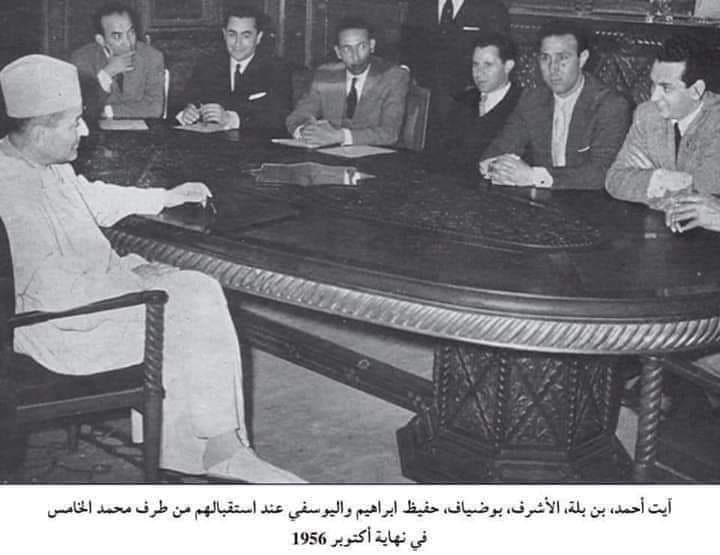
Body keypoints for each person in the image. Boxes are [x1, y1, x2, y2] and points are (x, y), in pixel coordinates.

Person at [0, 54, 304, 483]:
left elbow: (92, 198)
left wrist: (166, 196)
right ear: (39, 130)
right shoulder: (13, 195)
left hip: (86, 305)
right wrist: (134, 281)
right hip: (61, 331)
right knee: (197, 300)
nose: (84, 131)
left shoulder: (33, 161)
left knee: (193, 289)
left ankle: (202, 449)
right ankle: (222, 450)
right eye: (74, 123)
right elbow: (57, 295)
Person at [479, 21, 631, 190]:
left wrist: (533, 176)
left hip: (591, 200)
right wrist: (496, 167)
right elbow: (497, 150)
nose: (553, 68)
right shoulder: (532, 100)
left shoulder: (610, 105)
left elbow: (603, 172)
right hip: (543, 199)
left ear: (582, 59)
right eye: (545, 58)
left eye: (563, 58)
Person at [606, 35, 720, 211]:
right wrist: (660, 178)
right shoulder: (647, 114)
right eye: (653, 84)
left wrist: (649, 183)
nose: (654, 97)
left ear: (696, 90)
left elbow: (709, 192)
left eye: (666, 88)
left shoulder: (716, 121)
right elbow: (616, 180)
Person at [286, 17, 410, 148]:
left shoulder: (393, 76)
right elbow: (297, 117)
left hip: (378, 155)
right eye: (347, 49)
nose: (355, 56)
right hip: (331, 155)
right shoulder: (325, 75)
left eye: (362, 46)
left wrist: (340, 136)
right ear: (338, 52)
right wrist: (306, 131)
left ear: (372, 46)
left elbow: (390, 133)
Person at [400, 0, 510, 142]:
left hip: (469, 98)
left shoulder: (490, 7)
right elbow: (406, 50)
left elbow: (500, 56)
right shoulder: (419, 5)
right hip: (422, 100)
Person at [177, 4, 291, 132]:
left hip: (254, 142)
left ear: (259, 37)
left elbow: (279, 117)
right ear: (224, 34)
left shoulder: (276, 69)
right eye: (232, 34)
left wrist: (230, 119)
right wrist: (186, 113)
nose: (237, 43)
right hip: (210, 141)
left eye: (246, 36)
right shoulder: (208, 65)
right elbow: (183, 101)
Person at [432, 33, 522, 175]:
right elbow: (442, 151)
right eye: (475, 65)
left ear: (508, 66)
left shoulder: (522, 104)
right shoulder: (463, 100)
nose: (479, 73)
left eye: (488, 65)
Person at [71, 2, 164, 119]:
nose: (128, 43)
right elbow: (81, 109)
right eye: (117, 36)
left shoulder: (152, 57)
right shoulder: (82, 60)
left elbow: (154, 108)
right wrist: (107, 74)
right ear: (101, 40)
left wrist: (108, 111)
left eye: (131, 33)